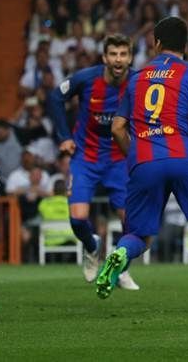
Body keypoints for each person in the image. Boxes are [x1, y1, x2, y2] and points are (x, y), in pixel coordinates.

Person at [99, 16, 188, 312]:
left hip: (145, 159)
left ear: (156, 42)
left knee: (139, 234)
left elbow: (116, 128)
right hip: (182, 157)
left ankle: (121, 254)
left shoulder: (136, 78)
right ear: (186, 45)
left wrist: (135, 157)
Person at [47, 34, 140, 289]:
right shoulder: (86, 78)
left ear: (130, 57)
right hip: (85, 158)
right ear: (104, 57)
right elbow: (55, 98)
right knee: (77, 219)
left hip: (119, 160)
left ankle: (121, 270)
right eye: (113, 54)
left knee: (131, 222)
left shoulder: (138, 81)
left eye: (123, 54)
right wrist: (64, 136)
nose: (118, 59)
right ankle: (92, 247)